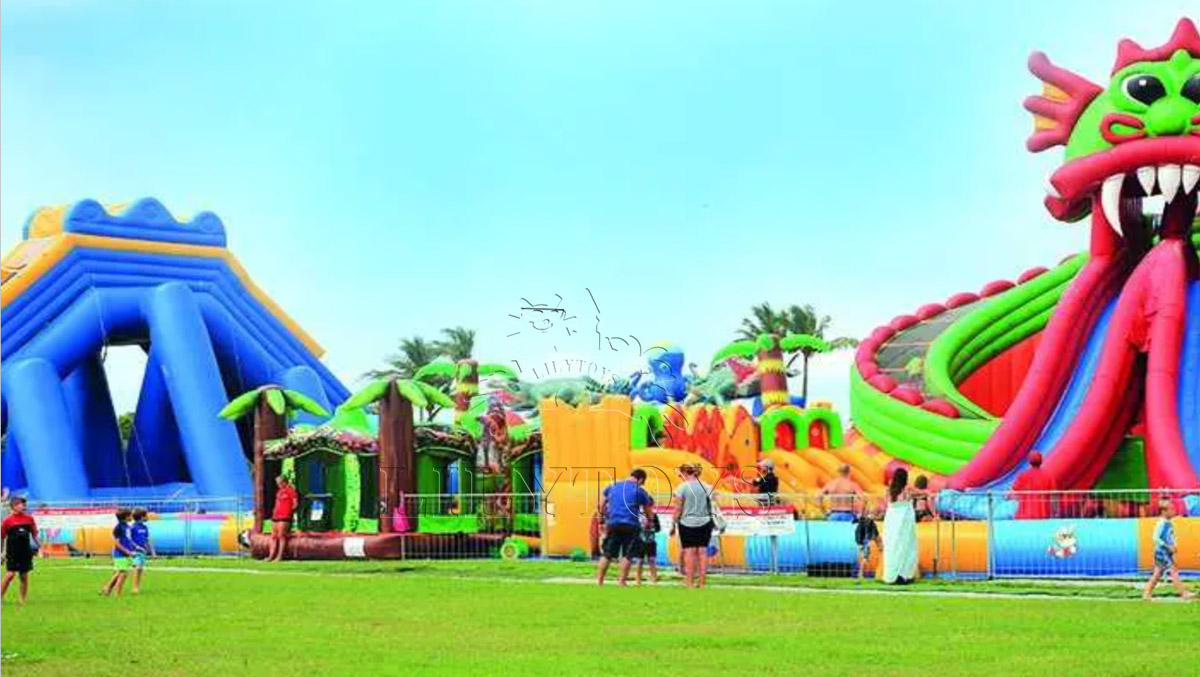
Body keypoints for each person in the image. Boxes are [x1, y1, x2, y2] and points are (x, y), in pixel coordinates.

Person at [596, 468, 655, 586]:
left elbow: (601, 504)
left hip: (613, 522)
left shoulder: (612, 486)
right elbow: (648, 511)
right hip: (631, 524)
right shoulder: (640, 491)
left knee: (607, 553)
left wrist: (601, 520)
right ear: (641, 479)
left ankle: (599, 581)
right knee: (628, 554)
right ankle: (621, 581)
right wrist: (650, 522)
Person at [670, 464, 717, 589]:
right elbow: (713, 505)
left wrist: (673, 523)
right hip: (705, 521)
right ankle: (702, 582)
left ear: (685, 473)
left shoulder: (682, 488)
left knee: (689, 552)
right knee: (702, 552)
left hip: (687, 522)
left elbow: (678, 508)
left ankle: (689, 582)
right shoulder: (707, 487)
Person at [1143, 497, 1196, 601]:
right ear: (1164, 511)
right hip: (1162, 552)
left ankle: (1146, 593)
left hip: (1165, 551)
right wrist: (1168, 547)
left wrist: (1174, 545)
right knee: (1173, 571)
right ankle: (1184, 593)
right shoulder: (1162, 523)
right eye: (1171, 509)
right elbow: (1155, 537)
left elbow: (1169, 536)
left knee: (1158, 573)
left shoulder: (1168, 522)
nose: (1174, 511)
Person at [881, 468, 918, 585]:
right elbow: (923, 492)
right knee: (907, 546)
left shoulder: (890, 490)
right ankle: (904, 574)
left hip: (892, 521)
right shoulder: (907, 489)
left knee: (892, 546)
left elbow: (885, 505)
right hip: (904, 521)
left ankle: (891, 574)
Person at [1, 496, 39, 606]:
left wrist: (41, 547)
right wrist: (2, 553)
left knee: (23, 576)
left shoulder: (29, 519)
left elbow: (35, 535)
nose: (23, 506)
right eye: (21, 504)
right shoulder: (7, 521)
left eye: (24, 504)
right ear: (14, 506)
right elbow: (2, 537)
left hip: (25, 552)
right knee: (10, 575)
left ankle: (22, 600)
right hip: (12, 552)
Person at [1011, 451, 1059, 519]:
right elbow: (1054, 496)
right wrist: (1055, 511)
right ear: (1041, 461)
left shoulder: (1023, 476)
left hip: (1024, 514)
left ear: (1029, 462)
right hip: (1043, 514)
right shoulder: (1048, 476)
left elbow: (1013, 493)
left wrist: (1022, 498)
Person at [101, 509, 137, 597]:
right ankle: (117, 594)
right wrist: (127, 552)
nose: (132, 517)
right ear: (126, 517)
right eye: (130, 515)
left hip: (127, 553)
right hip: (120, 554)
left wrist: (135, 547)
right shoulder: (118, 528)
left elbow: (128, 539)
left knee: (120, 572)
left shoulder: (127, 526)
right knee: (123, 573)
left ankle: (107, 588)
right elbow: (117, 543)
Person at [268, 475, 299, 562]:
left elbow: (295, 504)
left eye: (280, 483)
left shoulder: (291, 491)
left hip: (285, 516)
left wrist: (289, 512)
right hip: (276, 516)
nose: (279, 485)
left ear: (285, 482)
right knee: (273, 537)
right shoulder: (279, 491)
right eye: (277, 483)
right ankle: (271, 556)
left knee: (282, 536)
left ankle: (279, 556)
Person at [854, 502, 881, 582]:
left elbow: (876, 536)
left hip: (864, 540)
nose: (874, 516)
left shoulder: (870, 523)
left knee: (864, 557)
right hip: (864, 541)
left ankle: (860, 573)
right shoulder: (865, 521)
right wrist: (860, 543)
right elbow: (874, 535)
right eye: (873, 514)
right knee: (864, 557)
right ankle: (860, 573)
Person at [130, 508, 155, 594]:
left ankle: (136, 586)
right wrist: (134, 547)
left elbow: (147, 540)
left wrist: (152, 551)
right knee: (137, 567)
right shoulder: (132, 527)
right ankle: (134, 588)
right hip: (135, 551)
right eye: (146, 516)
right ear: (141, 517)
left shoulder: (145, 527)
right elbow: (129, 539)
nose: (147, 517)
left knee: (140, 569)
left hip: (142, 551)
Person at [634, 511, 661, 586]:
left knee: (652, 560)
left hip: (651, 541)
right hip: (640, 541)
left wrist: (652, 526)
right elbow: (634, 528)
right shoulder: (638, 515)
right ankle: (638, 580)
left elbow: (658, 528)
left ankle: (654, 579)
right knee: (639, 561)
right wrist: (642, 527)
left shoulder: (653, 515)